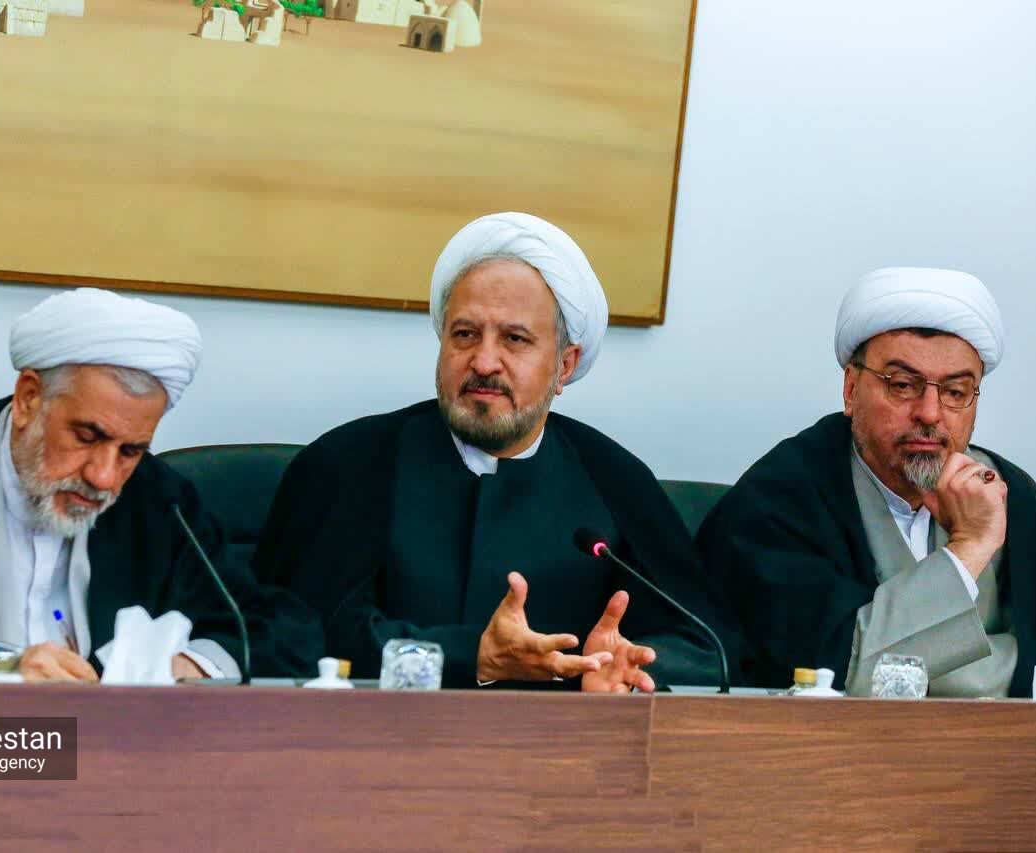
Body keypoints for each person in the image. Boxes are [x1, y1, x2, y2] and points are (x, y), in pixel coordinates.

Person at [254, 212, 738, 691]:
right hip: (382, 735)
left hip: (562, 739)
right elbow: (296, 639)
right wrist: (471, 657)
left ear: (564, 366)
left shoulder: (615, 479)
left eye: (515, 339)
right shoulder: (350, 463)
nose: (484, 362)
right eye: (465, 334)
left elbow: (708, 648)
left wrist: (629, 668)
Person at [0, 288, 321, 681]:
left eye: (131, 451)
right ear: (29, 399)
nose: (104, 476)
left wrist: (187, 666)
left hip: (109, 756)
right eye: (87, 437)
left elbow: (276, 628)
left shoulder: (161, 502)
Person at [698, 267, 1036, 696]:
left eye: (956, 392)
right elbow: (840, 670)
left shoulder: (1007, 491)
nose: (930, 412)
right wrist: (970, 547)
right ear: (851, 390)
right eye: (903, 385)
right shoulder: (781, 496)